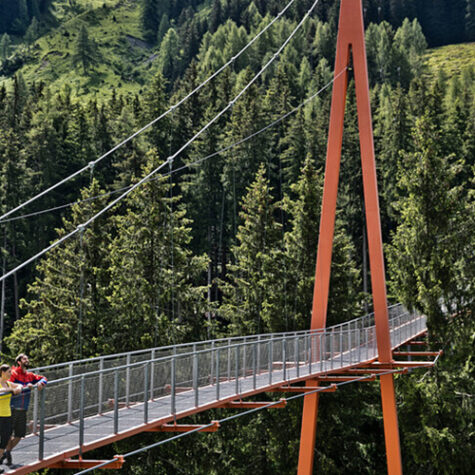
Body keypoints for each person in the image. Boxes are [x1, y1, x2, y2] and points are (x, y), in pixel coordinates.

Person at [0, 354, 47, 467]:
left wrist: (40, 383)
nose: (27, 360)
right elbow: (8, 386)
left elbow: (44, 378)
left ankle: (6, 453)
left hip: (23, 408)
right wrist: (26, 385)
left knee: (20, 434)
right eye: (24, 359)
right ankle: (6, 455)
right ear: (19, 362)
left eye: (27, 358)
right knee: (7, 435)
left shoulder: (29, 375)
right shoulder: (14, 373)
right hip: (11, 408)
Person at [0, 365, 21, 473]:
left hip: (7, 415)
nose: (10, 374)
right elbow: (2, 390)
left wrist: (18, 388)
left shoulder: (8, 383)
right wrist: (12, 390)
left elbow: (19, 385)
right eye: (9, 372)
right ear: (2, 372)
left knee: (4, 439)